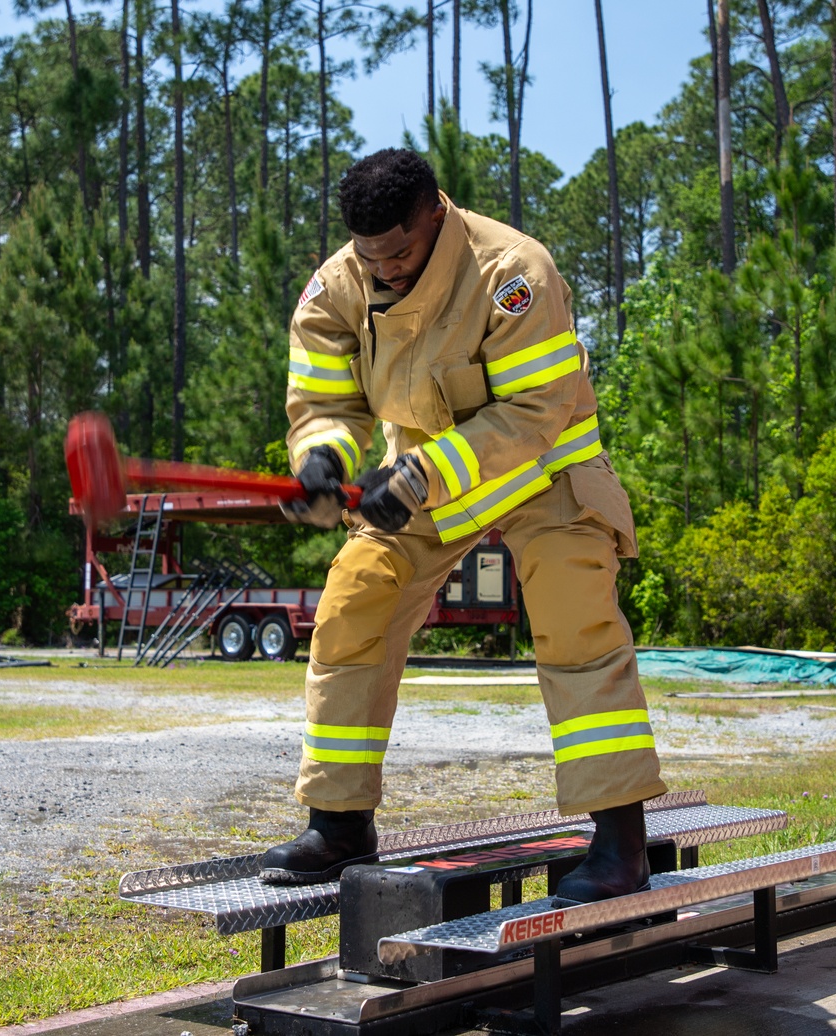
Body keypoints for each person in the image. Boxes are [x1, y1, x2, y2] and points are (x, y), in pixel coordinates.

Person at [260, 148, 667, 903]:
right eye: (369, 255)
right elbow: (326, 404)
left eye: (400, 252)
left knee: (576, 622)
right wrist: (322, 461)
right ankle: (340, 824)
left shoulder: (515, 272)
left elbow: (532, 415)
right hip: (426, 478)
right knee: (354, 604)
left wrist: (421, 475)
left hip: (543, 470)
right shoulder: (336, 288)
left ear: (436, 215)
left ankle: (620, 845)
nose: (383, 270)